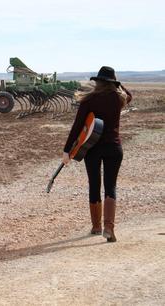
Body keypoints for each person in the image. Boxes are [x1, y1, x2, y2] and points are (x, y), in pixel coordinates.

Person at [62, 66, 132, 242]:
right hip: (114, 148)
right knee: (111, 186)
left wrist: (67, 150)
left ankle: (96, 227)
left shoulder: (89, 100)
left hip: (92, 149)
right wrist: (119, 84)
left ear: (98, 81)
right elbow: (129, 95)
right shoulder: (119, 98)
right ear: (113, 83)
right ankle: (109, 228)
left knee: (94, 185)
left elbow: (77, 126)